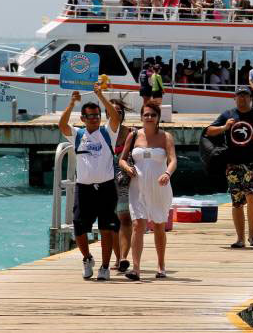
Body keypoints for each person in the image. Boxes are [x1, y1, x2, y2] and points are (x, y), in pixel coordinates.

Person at [205, 87, 253, 248]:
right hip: (232, 163)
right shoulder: (228, 114)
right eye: (239, 96)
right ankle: (240, 238)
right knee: (237, 201)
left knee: (251, 195)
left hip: (252, 163)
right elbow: (208, 131)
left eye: (245, 96)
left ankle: (252, 235)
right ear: (235, 98)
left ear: (250, 98)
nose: (242, 99)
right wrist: (224, 127)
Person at [58, 84, 121, 280]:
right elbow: (62, 124)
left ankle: (104, 267)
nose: (94, 119)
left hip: (106, 188)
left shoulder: (107, 133)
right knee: (78, 225)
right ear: (83, 119)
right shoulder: (77, 134)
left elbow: (116, 118)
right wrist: (71, 103)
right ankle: (87, 259)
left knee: (106, 228)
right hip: (83, 188)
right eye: (90, 116)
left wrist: (100, 96)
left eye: (97, 115)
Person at [118, 102, 176, 281]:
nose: (149, 117)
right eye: (146, 115)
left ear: (158, 117)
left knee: (159, 225)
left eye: (153, 115)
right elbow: (121, 160)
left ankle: (161, 264)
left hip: (159, 187)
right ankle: (136, 269)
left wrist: (167, 173)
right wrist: (127, 168)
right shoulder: (133, 135)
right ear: (141, 117)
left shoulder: (166, 137)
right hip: (138, 187)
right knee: (137, 225)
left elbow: (173, 160)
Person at [107, 99, 133, 273]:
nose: (116, 114)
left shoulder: (132, 134)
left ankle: (123, 257)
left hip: (124, 180)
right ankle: (117, 258)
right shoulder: (100, 132)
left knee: (124, 218)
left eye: (120, 111)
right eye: (112, 111)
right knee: (111, 222)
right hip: (105, 180)